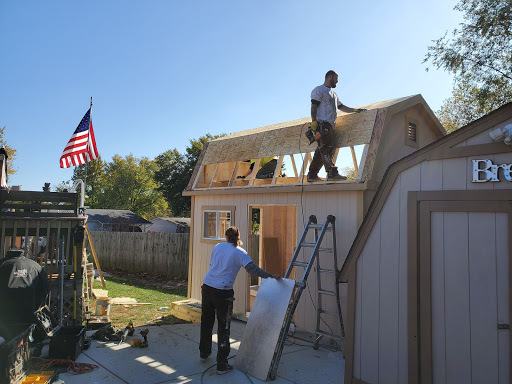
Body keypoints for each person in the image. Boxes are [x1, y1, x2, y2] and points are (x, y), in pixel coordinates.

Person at [199, 226, 279, 375]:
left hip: (207, 287)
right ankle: (222, 365)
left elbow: (213, 265)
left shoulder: (218, 246)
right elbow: (253, 270)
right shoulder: (239, 252)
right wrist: (270, 275)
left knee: (206, 321)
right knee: (224, 327)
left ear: (226, 236)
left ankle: (204, 352)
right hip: (223, 292)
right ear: (238, 237)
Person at [307, 70, 366, 182]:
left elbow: (341, 107)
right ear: (330, 77)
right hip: (322, 125)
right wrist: (314, 121)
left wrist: (355, 110)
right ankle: (332, 173)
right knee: (327, 149)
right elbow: (314, 106)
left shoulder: (333, 94)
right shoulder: (319, 90)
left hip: (329, 125)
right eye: (336, 79)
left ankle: (312, 175)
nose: (337, 82)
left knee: (321, 150)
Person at [0, 249, 49, 340]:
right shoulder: (35, 266)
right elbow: (45, 289)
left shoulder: (2, 265)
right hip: (31, 317)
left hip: (5, 319)